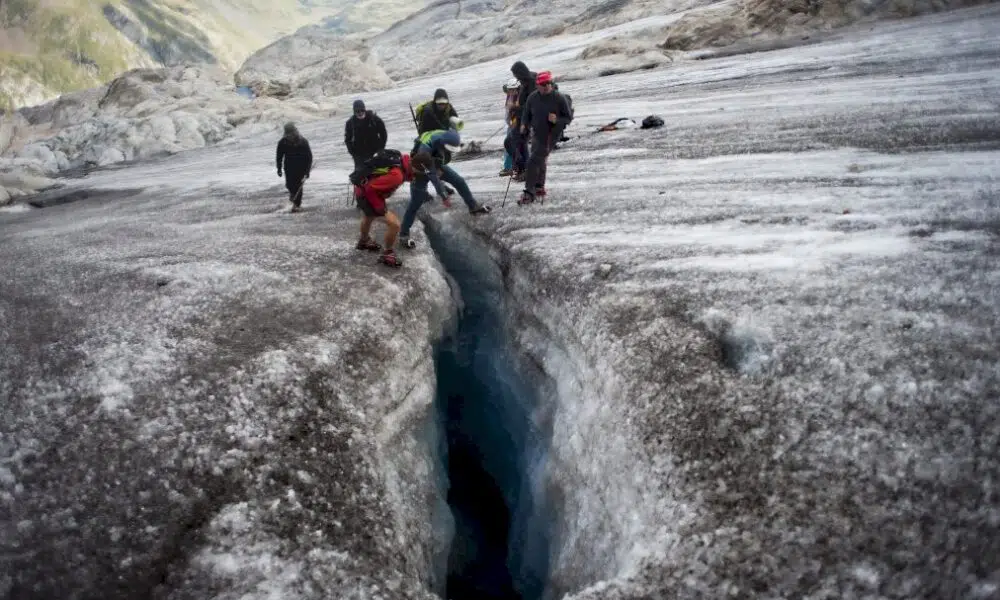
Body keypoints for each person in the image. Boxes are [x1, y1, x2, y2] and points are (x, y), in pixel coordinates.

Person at [399, 117, 491, 249]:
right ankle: (403, 234)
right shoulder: (425, 148)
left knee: (459, 181)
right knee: (416, 202)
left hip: (435, 163)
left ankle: (473, 207)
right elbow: (432, 175)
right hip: (419, 169)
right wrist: (443, 195)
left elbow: (453, 124)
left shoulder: (448, 135)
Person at [354, 151, 428, 268]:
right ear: (416, 167)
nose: (421, 175)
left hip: (361, 190)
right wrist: (379, 207)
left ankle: (364, 242)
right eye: (421, 172)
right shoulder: (397, 176)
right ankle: (388, 253)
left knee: (369, 217)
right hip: (366, 194)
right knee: (395, 225)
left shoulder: (402, 163)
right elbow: (370, 189)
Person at [518, 71, 573, 205]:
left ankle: (529, 192)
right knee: (540, 160)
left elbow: (568, 118)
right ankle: (539, 187)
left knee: (532, 161)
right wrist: (524, 124)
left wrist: (557, 120)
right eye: (543, 84)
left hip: (551, 135)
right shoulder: (532, 97)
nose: (547, 85)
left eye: (548, 82)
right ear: (537, 85)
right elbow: (526, 113)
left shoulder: (559, 98)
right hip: (537, 133)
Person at [507, 61, 537, 181]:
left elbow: (531, 106)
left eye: (515, 74)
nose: (515, 77)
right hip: (520, 118)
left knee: (514, 142)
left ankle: (524, 169)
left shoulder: (532, 83)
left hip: (526, 120)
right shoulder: (525, 81)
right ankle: (523, 168)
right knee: (515, 143)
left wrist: (515, 107)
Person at [276, 122, 313, 213]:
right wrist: (279, 168)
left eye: (291, 134)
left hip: (301, 167)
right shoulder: (282, 142)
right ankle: (293, 196)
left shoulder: (303, 141)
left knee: (299, 186)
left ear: (295, 132)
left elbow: (309, 157)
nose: (290, 136)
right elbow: (279, 156)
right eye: (288, 135)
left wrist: (307, 171)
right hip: (289, 167)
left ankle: (297, 205)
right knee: (289, 185)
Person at [344, 99, 387, 171]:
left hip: (375, 151)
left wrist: (381, 148)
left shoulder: (374, 119)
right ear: (354, 112)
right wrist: (354, 154)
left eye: (362, 110)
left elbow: (383, 133)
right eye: (357, 111)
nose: (360, 113)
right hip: (359, 155)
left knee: (380, 172)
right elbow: (347, 140)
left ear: (365, 109)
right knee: (360, 176)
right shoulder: (350, 123)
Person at [499, 78, 521, 177]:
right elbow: (507, 111)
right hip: (512, 124)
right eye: (510, 90)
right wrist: (508, 122)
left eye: (514, 89)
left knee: (519, 146)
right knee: (508, 145)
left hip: (520, 124)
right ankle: (509, 167)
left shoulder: (521, 97)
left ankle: (515, 167)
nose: (512, 91)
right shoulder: (509, 97)